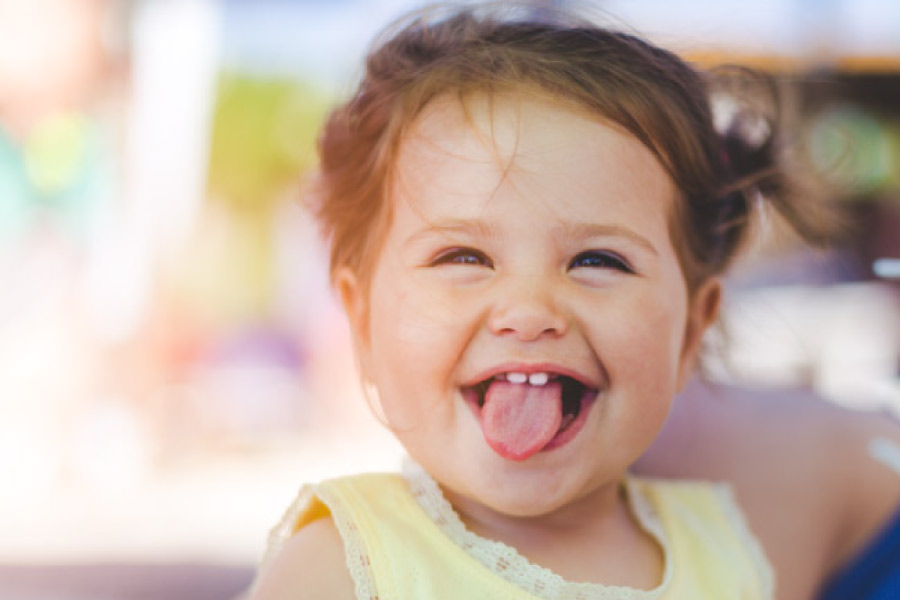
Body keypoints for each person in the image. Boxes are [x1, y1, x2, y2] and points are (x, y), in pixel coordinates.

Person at [248, 2, 900, 598]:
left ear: (691, 332)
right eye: (464, 258)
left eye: (598, 261)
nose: (530, 311)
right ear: (361, 322)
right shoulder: (343, 565)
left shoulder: (727, 552)